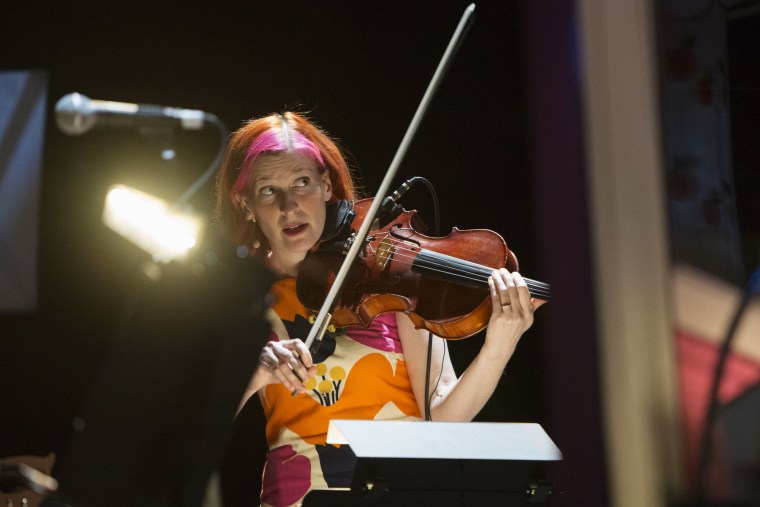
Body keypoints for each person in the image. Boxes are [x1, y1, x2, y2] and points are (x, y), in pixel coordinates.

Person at [215, 112, 544, 507]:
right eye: (269, 190)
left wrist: (500, 344)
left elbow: (442, 420)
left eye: (302, 182)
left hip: (399, 491)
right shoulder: (238, 298)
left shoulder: (385, 275)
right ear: (245, 203)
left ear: (325, 185)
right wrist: (253, 374)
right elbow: (191, 433)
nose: (290, 206)